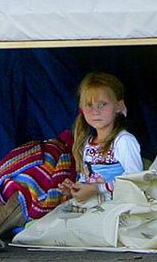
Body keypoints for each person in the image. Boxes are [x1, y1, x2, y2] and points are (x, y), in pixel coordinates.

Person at [60, 73, 142, 202]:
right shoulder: (86, 143)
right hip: (94, 204)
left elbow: (135, 179)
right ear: (81, 109)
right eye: (89, 105)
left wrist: (99, 188)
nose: (95, 111)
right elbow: (86, 178)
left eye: (102, 104)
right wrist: (75, 189)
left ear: (119, 106)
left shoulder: (124, 141)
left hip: (119, 205)